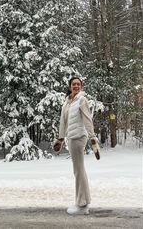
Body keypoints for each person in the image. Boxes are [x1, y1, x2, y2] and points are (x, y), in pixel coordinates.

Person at [53, 76, 99, 215]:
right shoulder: (68, 102)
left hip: (79, 137)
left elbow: (87, 119)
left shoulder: (82, 100)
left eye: (78, 84)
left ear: (81, 86)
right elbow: (63, 121)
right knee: (78, 170)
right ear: (69, 86)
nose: (76, 86)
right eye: (74, 84)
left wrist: (93, 139)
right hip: (71, 138)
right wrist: (60, 139)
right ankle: (82, 202)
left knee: (79, 170)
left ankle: (82, 204)